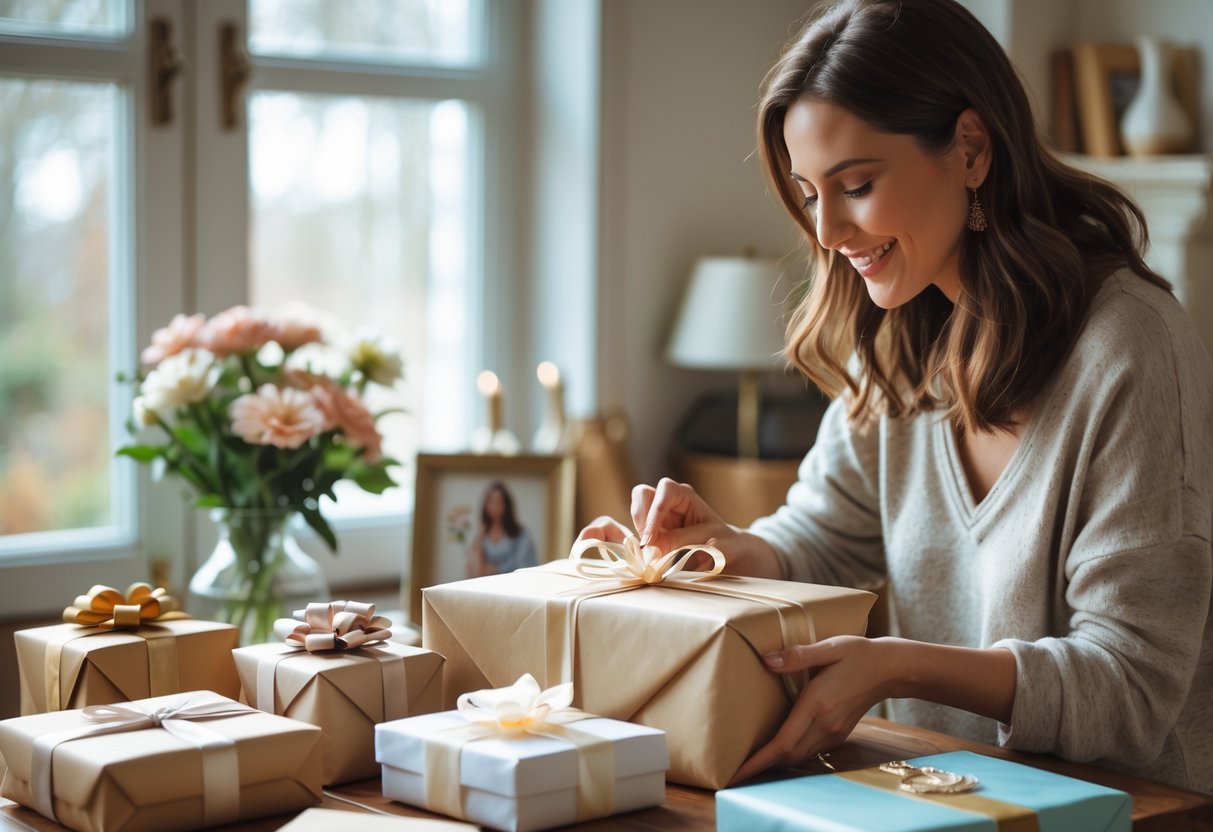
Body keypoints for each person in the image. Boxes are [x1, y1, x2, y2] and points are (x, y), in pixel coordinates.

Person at [578, 0, 1213, 794]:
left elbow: (1129, 689)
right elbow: (824, 538)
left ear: (971, 148)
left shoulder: (1129, 347)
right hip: (933, 795)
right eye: (810, 194)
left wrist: (894, 667)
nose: (830, 232)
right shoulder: (899, 340)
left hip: (1129, 812)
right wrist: (732, 548)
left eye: (857, 184)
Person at [468, 481, 538, 577]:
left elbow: (523, 563)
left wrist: (496, 569)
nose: (493, 507)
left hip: (514, 585)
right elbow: (476, 569)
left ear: (506, 506)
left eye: (497, 502)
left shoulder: (521, 533)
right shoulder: (483, 535)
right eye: (489, 502)